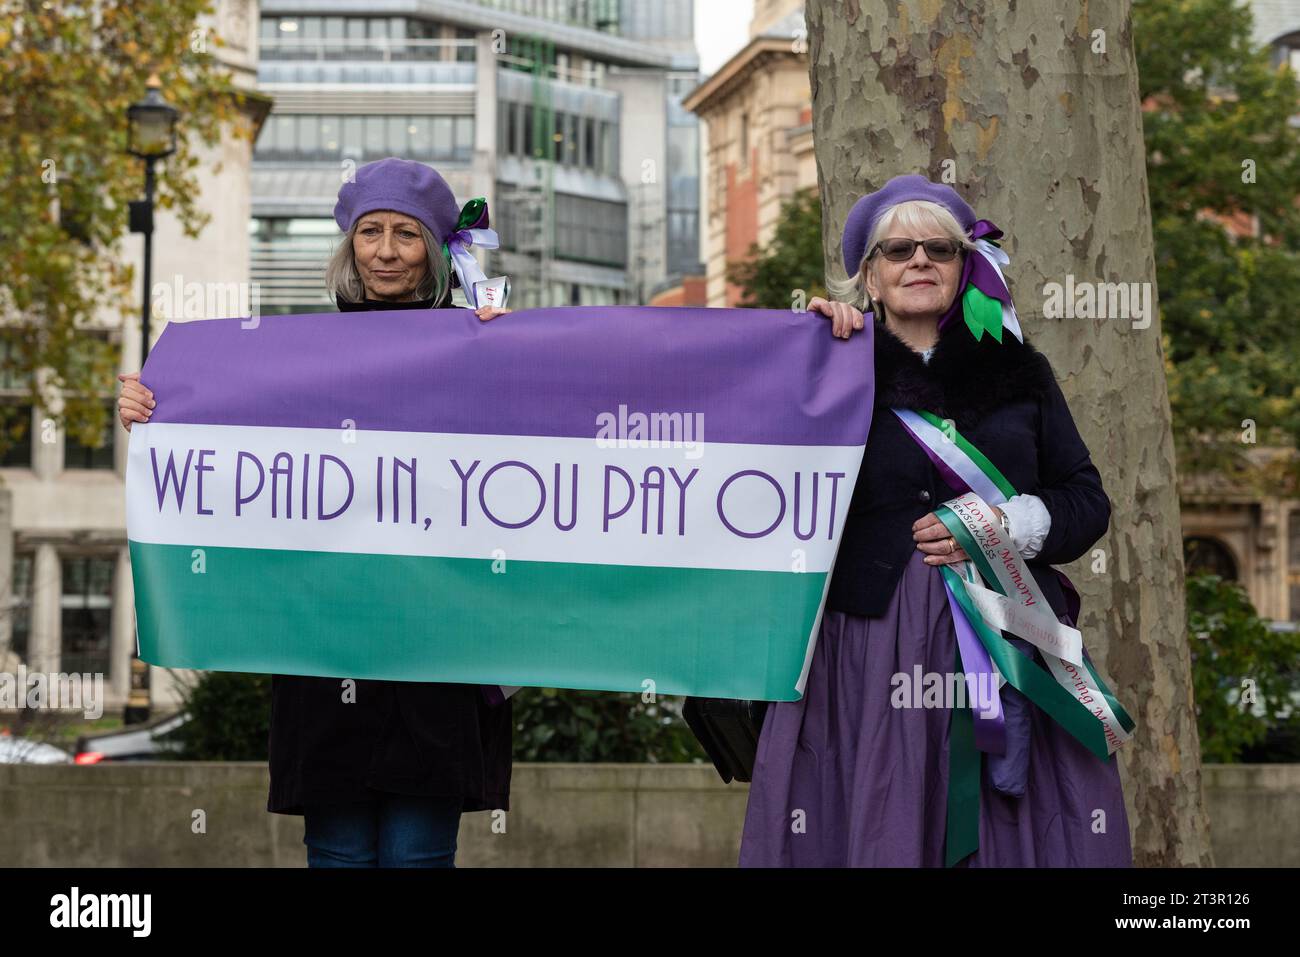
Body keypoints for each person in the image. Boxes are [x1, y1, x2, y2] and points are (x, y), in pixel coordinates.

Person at [118, 157, 513, 867]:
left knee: (420, 857)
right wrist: (155, 409)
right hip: (324, 662)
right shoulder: (289, 362)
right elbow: (226, 448)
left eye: (406, 234)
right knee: (334, 855)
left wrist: (518, 354)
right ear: (348, 244)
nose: (386, 251)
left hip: (437, 659)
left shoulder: (483, 345)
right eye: (370, 232)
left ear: (434, 248)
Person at [739, 174, 1132, 867]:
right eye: (897, 250)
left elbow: (1086, 500)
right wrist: (804, 346)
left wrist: (997, 525)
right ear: (870, 276)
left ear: (964, 268)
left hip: (1009, 635)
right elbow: (748, 473)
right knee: (878, 814)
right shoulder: (829, 368)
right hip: (864, 650)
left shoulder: (1020, 373)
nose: (919, 261)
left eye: (939, 250)